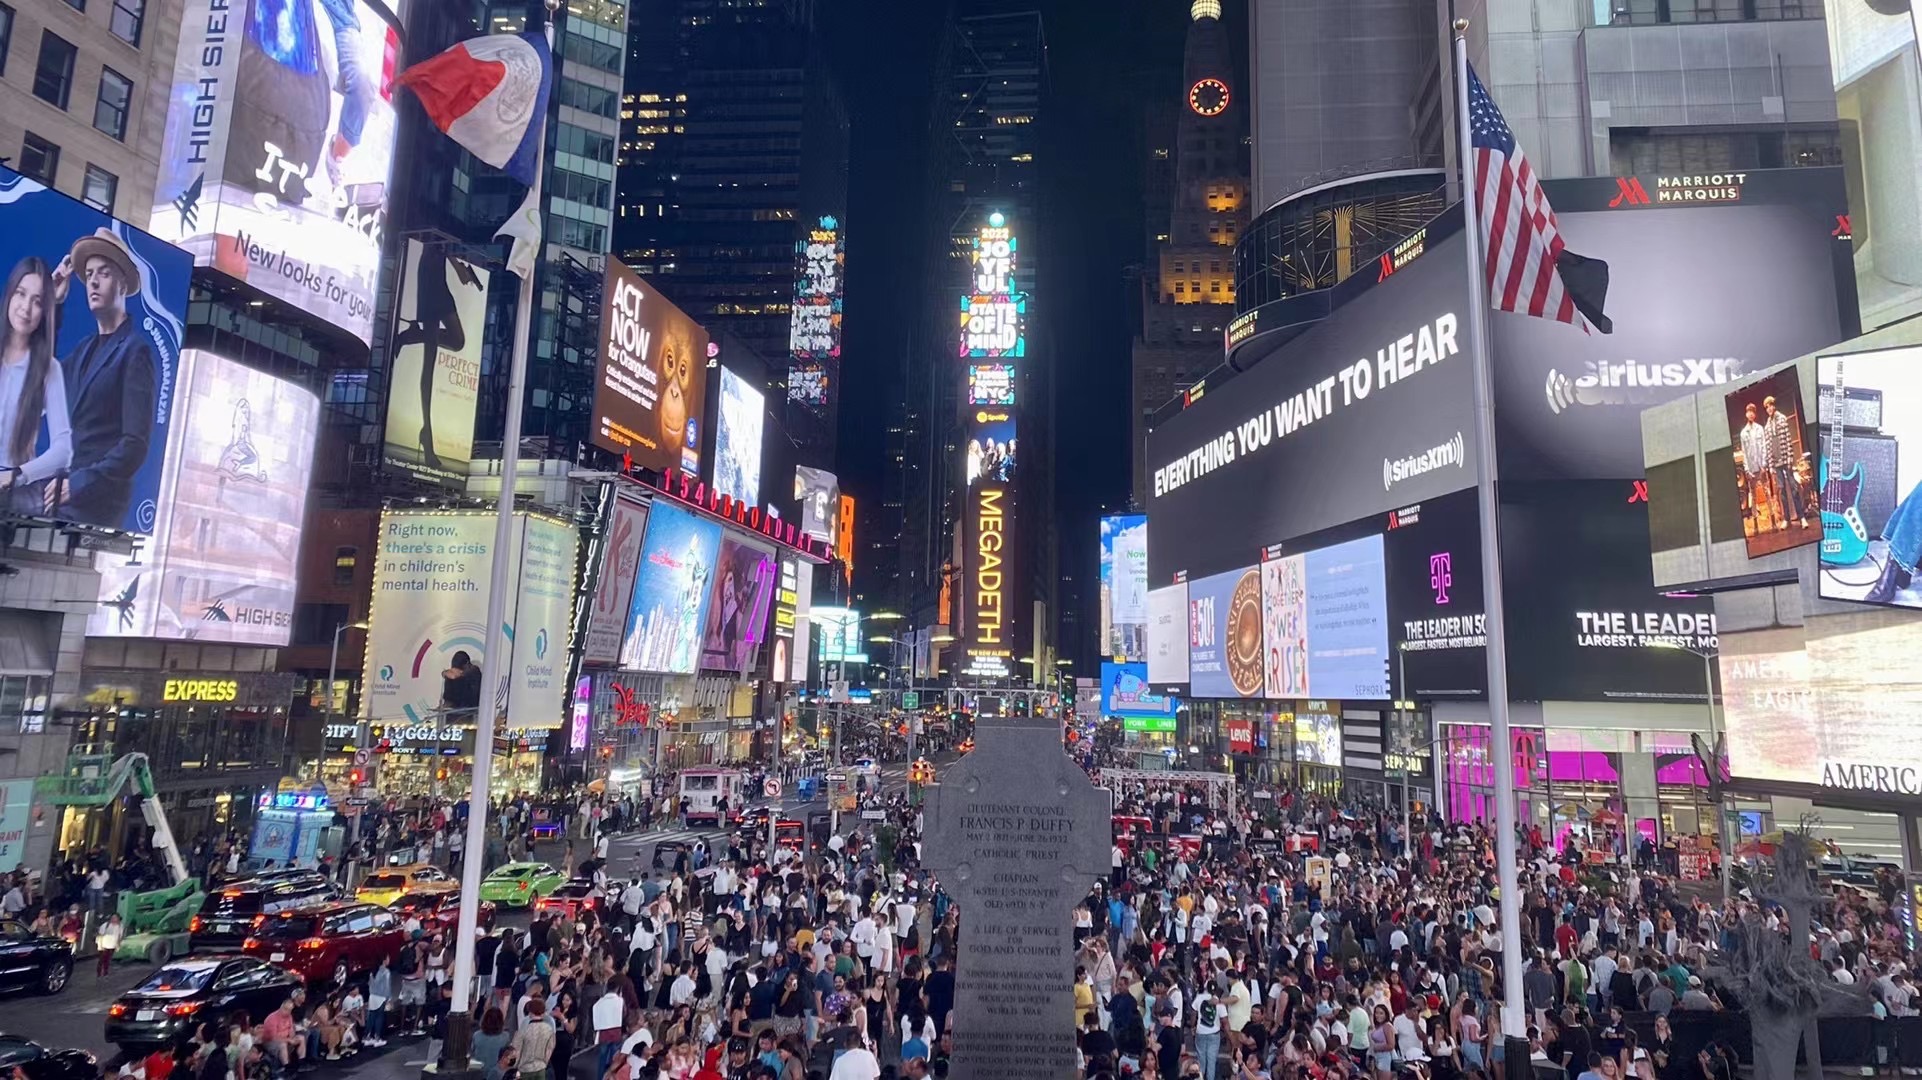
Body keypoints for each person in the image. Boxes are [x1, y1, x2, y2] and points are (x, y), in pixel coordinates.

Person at [47, 227, 158, 527]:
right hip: (60, 494)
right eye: (90, 273)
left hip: (95, 504)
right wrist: (54, 305)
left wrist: (79, 483)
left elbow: (135, 444)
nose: (93, 281)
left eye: (104, 273)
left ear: (122, 283)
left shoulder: (135, 352)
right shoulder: (85, 350)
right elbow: (44, 379)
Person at [0, 257, 71, 517]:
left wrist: (16, 476)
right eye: (21, 294)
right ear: (9, 294)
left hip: (13, 501)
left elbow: (64, 450)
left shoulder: (48, 369)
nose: (26, 308)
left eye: (38, 301)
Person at [441, 652, 483, 721]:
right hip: (453, 712)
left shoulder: (474, 671)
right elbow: (448, 696)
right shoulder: (452, 676)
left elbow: (464, 674)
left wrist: (451, 674)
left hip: (469, 712)